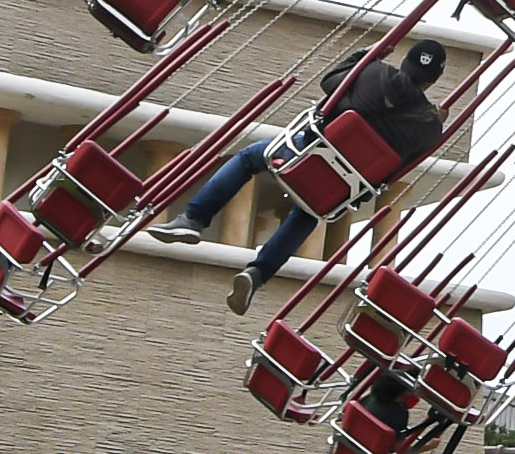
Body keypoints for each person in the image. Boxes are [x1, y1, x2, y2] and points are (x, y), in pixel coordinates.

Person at [152, 41, 449, 313]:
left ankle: (194, 219)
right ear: (433, 80)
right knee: (307, 213)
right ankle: (258, 272)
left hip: (307, 153)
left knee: (249, 158)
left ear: (405, 62)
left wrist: (364, 55)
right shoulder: (429, 127)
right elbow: (397, 170)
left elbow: (330, 83)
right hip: (339, 186)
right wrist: (437, 125)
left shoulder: (373, 72)